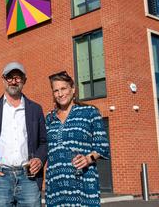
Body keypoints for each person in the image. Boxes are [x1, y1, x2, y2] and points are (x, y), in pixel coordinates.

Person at [0, 62, 47, 207]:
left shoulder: (35, 109)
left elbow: (44, 142)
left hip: (29, 178)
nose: (13, 81)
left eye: (18, 77)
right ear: (3, 79)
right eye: (9, 77)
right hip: (1, 178)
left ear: (24, 80)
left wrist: (39, 158)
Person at [45, 71, 110, 207]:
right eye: (56, 90)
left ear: (73, 89)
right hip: (56, 187)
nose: (60, 94)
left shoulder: (90, 112)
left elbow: (102, 146)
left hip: (83, 184)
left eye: (63, 89)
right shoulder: (49, 118)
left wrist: (88, 159)